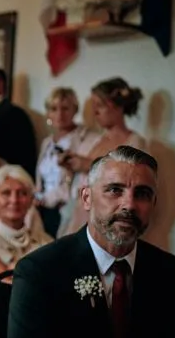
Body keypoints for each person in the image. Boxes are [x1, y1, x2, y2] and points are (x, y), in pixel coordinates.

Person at [2, 146, 175, 338]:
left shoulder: (169, 272)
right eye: (115, 190)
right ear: (86, 197)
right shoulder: (40, 272)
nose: (129, 204)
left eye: (142, 194)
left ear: (153, 204)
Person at [57, 77, 147, 236]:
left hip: (110, 217)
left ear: (116, 107)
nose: (95, 112)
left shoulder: (134, 141)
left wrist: (87, 165)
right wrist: (70, 167)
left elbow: (131, 179)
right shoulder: (94, 140)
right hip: (81, 212)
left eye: (99, 106)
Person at [0, 165, 53, 284]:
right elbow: (6, 284)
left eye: (22, 193)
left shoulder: (46, 241)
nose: (14, 200)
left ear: (30, 200)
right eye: (6, 193)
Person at [34, 87, 95, 237]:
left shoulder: (85, 139)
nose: (60, 114)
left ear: (75, 110)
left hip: (65, 208)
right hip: (41, 208)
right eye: (54, 109)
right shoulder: (47, 143)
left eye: (65, 108)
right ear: (48, 113)